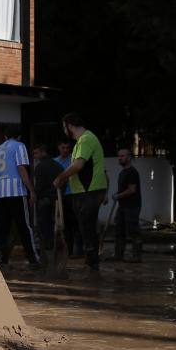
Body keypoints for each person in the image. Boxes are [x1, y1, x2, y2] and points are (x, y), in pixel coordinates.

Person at [53, 112, 108, 276]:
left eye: (64, 127)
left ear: (69, 126)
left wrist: (61, 178)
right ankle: (91, 264)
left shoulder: (86, 139)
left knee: (87, 228)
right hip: (84, 191)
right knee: (85, 228)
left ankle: (92, 266)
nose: (64, 130)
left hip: (89, 190)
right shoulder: (81, 142)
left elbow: (78, 165)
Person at [0, 126, 41, 268]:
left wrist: (2, 182)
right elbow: (21, 168)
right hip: (17, 191)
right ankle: (33, 259)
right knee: (25, 226)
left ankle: (1, 259)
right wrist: (31, 190)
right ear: (18, 136)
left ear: (5, 136)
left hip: (1, 193)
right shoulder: (19, 146)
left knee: (3, 227)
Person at [32, 144, 64, 251]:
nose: (34, 156)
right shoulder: (58, 165)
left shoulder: (40, 167)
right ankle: (53, 246)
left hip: (44, 200)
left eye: (36, 153)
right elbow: (63, 181)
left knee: (45, 226)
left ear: (42, 152)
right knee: (56, 224)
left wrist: (34, 195)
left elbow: (39, 186)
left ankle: (47, 248)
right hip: (57, 199)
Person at [54, 140, 83, 257]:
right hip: (61, 196)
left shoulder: (74, 160)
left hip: (74, 194)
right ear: (59, 148)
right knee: (65, 226)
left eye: (67, 147)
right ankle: (68, 251)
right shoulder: (55, 162)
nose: (65, 150)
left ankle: (78, 251)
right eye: (63, 147)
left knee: (76, 224)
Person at [113, 148, 142, 262]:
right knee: (119, 230)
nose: (120, 158)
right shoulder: (122, 173)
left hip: (132, 206)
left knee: (133, 231)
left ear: (129, 157)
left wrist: (118, 196)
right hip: (123, 206)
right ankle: (118, 255)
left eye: (122, 156)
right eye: (119, 156)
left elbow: (131, 190)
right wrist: (118, 195)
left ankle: (137, 257)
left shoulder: (132, 172)